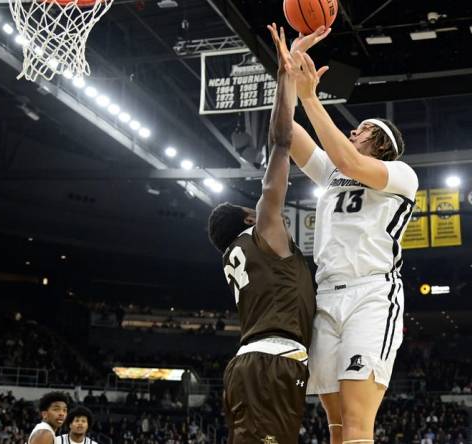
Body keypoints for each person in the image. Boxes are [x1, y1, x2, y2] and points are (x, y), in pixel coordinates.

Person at [274, 30, 419, 444]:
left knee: (357, 423)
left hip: (371, 295)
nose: (353, 131)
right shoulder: (334, 170)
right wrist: (287, 75)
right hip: (325, 296)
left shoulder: (400, 175)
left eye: (362, 130)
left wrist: (310, 97)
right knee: (335, 424)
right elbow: (285, 134)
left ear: (381, 143)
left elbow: (348, 159)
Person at [207, 23, 316, 444]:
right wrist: (284, 76)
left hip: (261, 363)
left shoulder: (245, 251)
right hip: (270, 364)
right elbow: (280, 144)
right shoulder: (263, 233)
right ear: (250, 219)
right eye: (251, 209)